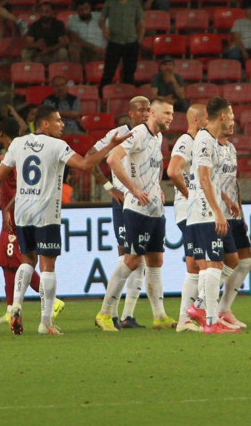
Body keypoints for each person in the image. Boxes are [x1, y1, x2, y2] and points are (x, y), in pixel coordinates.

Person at [0, 106, 132, 335]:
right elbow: (85, 164)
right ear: (44, 124)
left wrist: (8, 163)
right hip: (46, 212)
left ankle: (16, 306)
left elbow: (0, 175)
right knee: (47, 265)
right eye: (58, 121)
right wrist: (110, 146)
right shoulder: (58, 146)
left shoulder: (18, 143)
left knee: (27, 260)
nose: (62, 124)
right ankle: (45, 323)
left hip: (22, 212)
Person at [95, 99, 176, 332]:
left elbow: (155, 165)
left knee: (155, 260)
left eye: (172, 113)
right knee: (131, 260)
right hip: (136, 209)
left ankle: (159, 315)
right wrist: (133, 189)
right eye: (167, 113)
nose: (171, 118)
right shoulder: (137, 133)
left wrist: (156, 186)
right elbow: (112, 159)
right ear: (153, 113)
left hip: (154, 209)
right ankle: (105, 312)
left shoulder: (158, 137)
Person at [0, 117, 65, 325]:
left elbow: (23, 188)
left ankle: (50, 302)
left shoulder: (21, 151)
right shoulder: (15, 152)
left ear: (1, 134)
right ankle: (11, 310)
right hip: (15, 215)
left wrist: (8, 209)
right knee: (8, 263)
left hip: (18, 216)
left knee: (21, 261)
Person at [87, 96, 150, 329]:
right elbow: (89, 159)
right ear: (130, 113)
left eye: (148, 110)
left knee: (139, 257)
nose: (145, 113)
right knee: (127, 255)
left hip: (145, 204)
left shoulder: (152, 136)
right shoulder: (117, 134)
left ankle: (127, 315)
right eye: (141, 110)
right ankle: (109, 313)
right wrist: (108, 187)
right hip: (125, 202)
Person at [179, 97, 239, 334]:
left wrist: (225, 201)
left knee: (232, 260)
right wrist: (217, 212)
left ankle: (201, 305)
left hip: (215, 209)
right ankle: (211, 321)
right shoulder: (203, 139)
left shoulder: (213, 140)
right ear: (222, 116)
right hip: (204, 213)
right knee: (214, 263)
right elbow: (203, 178)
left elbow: (211, 179)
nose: (234, 120)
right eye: (232, 116)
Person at [167, 103, 208, 332]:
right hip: (188, 211)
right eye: (207, 119)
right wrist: (190, 195)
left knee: (195, 263)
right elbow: (173, 171)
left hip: (192, 210)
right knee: (203, 263)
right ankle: (200, 313)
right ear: (196, 120)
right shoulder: (186, 141)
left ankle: (185, 319)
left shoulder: (199, 143)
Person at [216, 114, 251, 329]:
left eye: (233, 119)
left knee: (247, 261)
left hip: (234, 214)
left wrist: (240, 211)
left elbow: (234, 181)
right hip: (217, 213)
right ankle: (203, 306)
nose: (232, 122)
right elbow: (208, 180)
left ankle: (223, 309)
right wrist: (226, 201)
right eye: (228, 119)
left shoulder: (231, 148)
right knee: (221, 264)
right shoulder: (209, 146)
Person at [98, 0, 144, 95]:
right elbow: (101, 20)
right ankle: (101, 97)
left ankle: (128, 98)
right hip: (114, 42)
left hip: (131, 43)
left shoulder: (135, 3)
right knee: (108, 73)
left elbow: (141, 23)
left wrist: (139, 41)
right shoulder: (109, 3)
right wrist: (104, 28)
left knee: (129, 74)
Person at [68, 0, 106, 64]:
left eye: (86, 8)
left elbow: (110, 33)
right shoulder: (73, 19)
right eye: (81, 10)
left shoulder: (100, 17)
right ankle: (77, 72)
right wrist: (94, 47)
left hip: (101, 51)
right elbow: (75, 39)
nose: (84, 12)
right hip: (84, 50)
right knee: (73, 46)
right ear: (77, 10)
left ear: (90, 7)